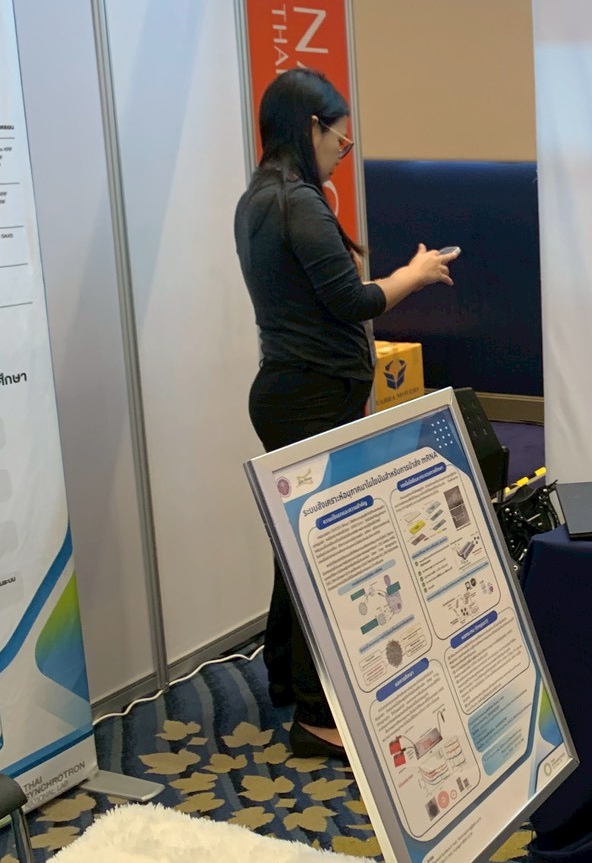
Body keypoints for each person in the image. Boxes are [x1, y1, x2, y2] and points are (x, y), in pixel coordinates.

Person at [235, 67, 457, 758]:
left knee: (296, 546)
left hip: (291, 392)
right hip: (308, 397)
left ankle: (283, 674)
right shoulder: (296, 203)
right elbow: (352, 302)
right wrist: (414, 276)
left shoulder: (259, 197)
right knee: (320, 555)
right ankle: (313, 716)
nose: (342, 148)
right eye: (340, 136)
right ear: (311, 128)